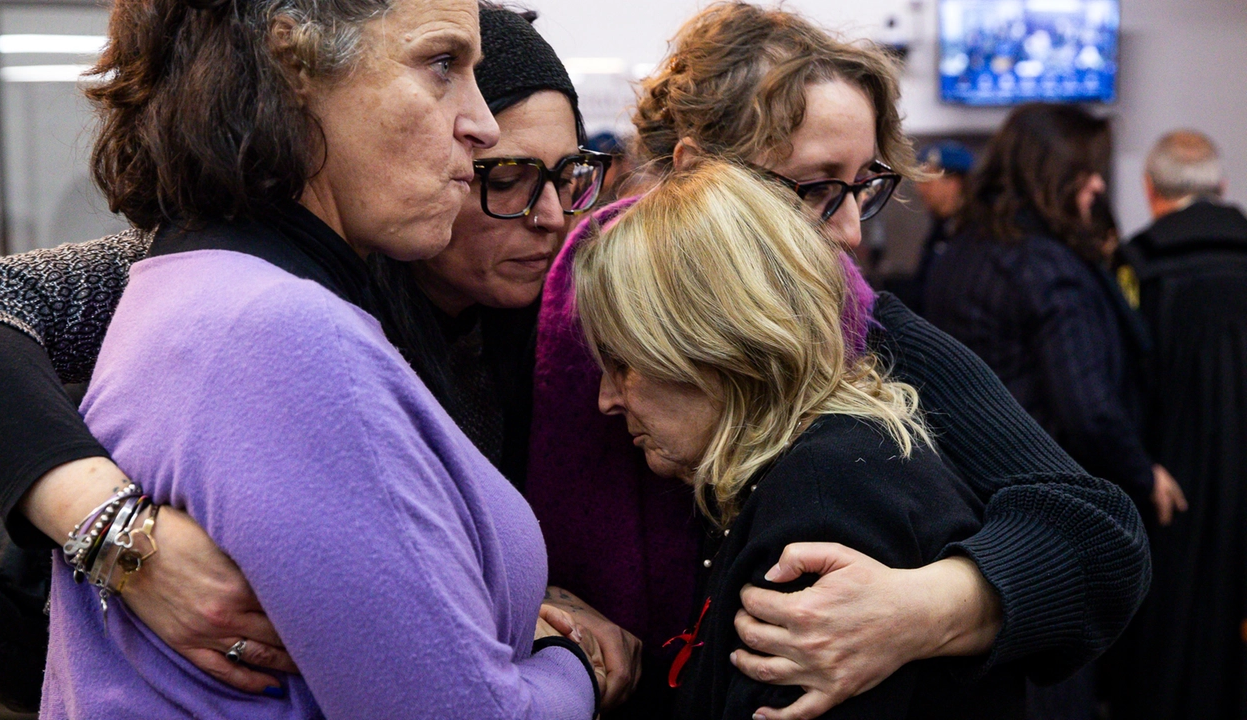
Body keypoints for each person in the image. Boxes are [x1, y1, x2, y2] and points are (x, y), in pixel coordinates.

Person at [0, 3, 631, 714]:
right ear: (295, 68)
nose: (551, 215)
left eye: (569, 176)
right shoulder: (274, 311)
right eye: (508, 177)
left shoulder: (228, 282)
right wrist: (117, 534)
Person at [528, 4, 1149, 719]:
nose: (852, 232)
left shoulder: (864, 331)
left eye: (864, 188)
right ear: (700, 176)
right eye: (818, 189)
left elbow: (1100, 536)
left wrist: (919, 607)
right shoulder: (559, 295)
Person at [576, 160, 1025, 719]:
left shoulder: (825, 491)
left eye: (624, 363)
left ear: (715, 348)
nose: (607, 398)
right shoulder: (823, 459)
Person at [920, 103, 1161, 720]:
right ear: (1055, 172)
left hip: (965, 509)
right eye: (1089, 171)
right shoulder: (1048, 265)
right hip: (1044, 523)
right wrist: (1142, 477)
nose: (1101, 184)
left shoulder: (966, 247)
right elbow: (1088, 411)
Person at [1110, 130, 1247, 720]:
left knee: (1173, 614)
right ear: (1220, 186)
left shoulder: (1137, 263)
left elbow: (1120, 377)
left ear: (1151, 189)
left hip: (1170, 473)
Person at [890, 141, 973, 313]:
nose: (920, 188)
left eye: (928, 180)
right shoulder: (941, 229)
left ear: (954, 183)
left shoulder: (974, 235)